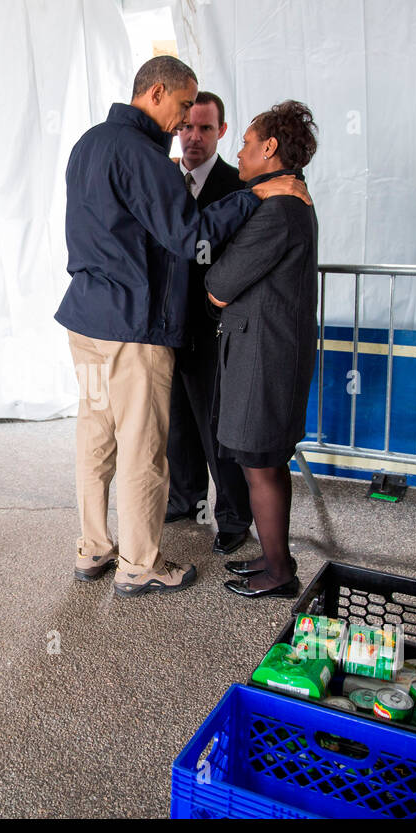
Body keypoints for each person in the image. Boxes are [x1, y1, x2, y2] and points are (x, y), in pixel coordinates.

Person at [57, 57, 310, 599]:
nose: (183, 121)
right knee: (144, 448)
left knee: (95, 439)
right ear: (155, 93)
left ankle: (93, 548)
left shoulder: (88, 144)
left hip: (87, 320)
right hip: (132, 325)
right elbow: (185, 232)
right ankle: (139, 565)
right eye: (180, 106)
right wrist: (253, 196)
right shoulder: (142, 152)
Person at [204, 100, 319, 598]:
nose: (240, 152)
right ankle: (278, 558)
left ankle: (280, 573)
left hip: (265, 355)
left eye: (247, 143)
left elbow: (219, 284)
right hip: (270, 349)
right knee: (268, 463)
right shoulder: (285, 202)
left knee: (261, 465)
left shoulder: (278, 211)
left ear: (269, 148)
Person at [164, 91, 254, 558]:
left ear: (221, 131)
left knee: (219, 430)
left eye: (204, 128)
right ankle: (185, 499)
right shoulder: (162, 181)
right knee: (175, 422)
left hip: (213, 330)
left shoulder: (239, 185)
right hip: (165, 328)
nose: (193, 137)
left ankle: (234, 517)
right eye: (186, 127)